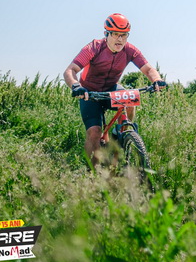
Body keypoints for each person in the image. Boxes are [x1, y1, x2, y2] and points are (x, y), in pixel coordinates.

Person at [63, 13, 166, 168]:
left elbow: (149, 69)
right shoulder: (93, 48)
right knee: (94, 132)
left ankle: (122, 134)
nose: (120, 39)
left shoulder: (130, 50)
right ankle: (93, 173)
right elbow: (70, 70)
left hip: (111, 89)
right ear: (106, 34)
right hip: (89, 93)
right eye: (116, 34)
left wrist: (156, 80)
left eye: (124, 35)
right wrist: (76, 86)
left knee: (130, 99)